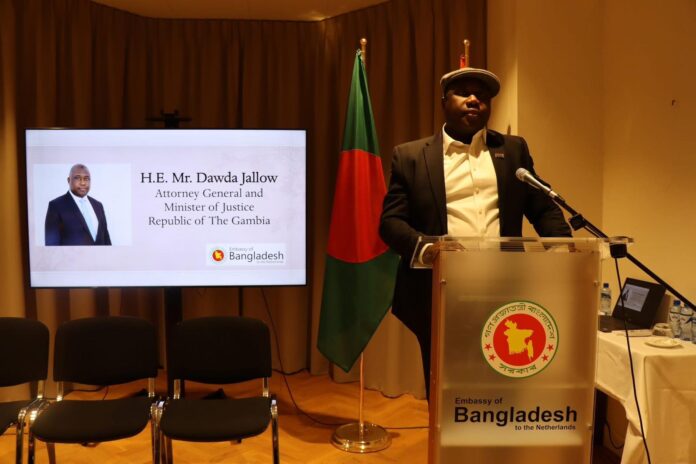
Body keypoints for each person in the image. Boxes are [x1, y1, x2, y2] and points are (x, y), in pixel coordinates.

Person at [379, 65, 571, 399]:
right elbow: (391, 223)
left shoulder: (513, 150)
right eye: (463, 93)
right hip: (440, 291)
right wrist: (429, 249)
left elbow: (543, 208)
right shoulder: (410, 156)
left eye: (482, 96)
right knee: (446, 389)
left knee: (503, 385)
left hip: (506, 290)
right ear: (444, 101)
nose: (474, 100)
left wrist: (564, 254)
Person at [45, 164, 112, 246]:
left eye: (86, 179)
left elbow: (106, 239)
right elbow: (51, 247)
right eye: (77, 178)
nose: (83, 183)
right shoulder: (56, 206)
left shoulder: (98, 206)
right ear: (69, 180)